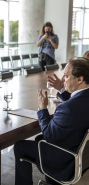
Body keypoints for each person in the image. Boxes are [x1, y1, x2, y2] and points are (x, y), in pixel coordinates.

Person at [14, 57, 89, 185]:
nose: (63, 79)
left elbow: (49, 135)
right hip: (82, 157)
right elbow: (77, 107)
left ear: (79, 79)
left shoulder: (67, 109)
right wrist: (62, 89)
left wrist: (42, 108)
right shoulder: (81, 100)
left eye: (66, 76)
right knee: (38, 138)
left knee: (20, 146)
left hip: (65, 161)